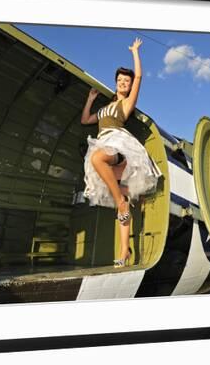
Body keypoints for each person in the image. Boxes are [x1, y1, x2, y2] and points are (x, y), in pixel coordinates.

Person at [80, 37, 162, 268]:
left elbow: (139, 78)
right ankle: (124, 250)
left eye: (126, 81)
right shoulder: (105, 107)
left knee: (98, 160)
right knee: (117, 195)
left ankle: (123, 199)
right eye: (120, 80)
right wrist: (90, 99)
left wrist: (134, 52)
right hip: (102, 140)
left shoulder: (126, 104)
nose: (124, 83)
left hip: (118, 145)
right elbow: (85, 119)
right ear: (115, 83)